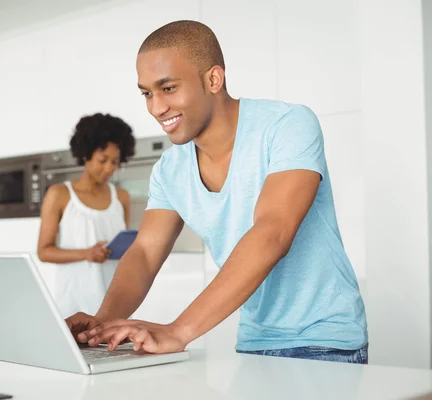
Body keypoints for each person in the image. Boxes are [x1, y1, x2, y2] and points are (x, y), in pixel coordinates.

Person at [66, 20, 368, 364]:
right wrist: (101, 324)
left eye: (168, 88)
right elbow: (146, 252)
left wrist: (178, 331)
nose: (156, 108)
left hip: (325, 340)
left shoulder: (287, 125)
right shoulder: (169, 169)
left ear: (213, 79)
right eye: (147, 93)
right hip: (254, 341)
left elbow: (274, 231)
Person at [37, 113, 136, 318]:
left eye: (115, 161)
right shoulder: (59, 195)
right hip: (73, 304)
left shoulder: (122, 197)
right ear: (85, 154)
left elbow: (126, 251)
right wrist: (86, 254)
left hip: (114, 306)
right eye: (103, 160)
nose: (109, 168)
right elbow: (44, 251)